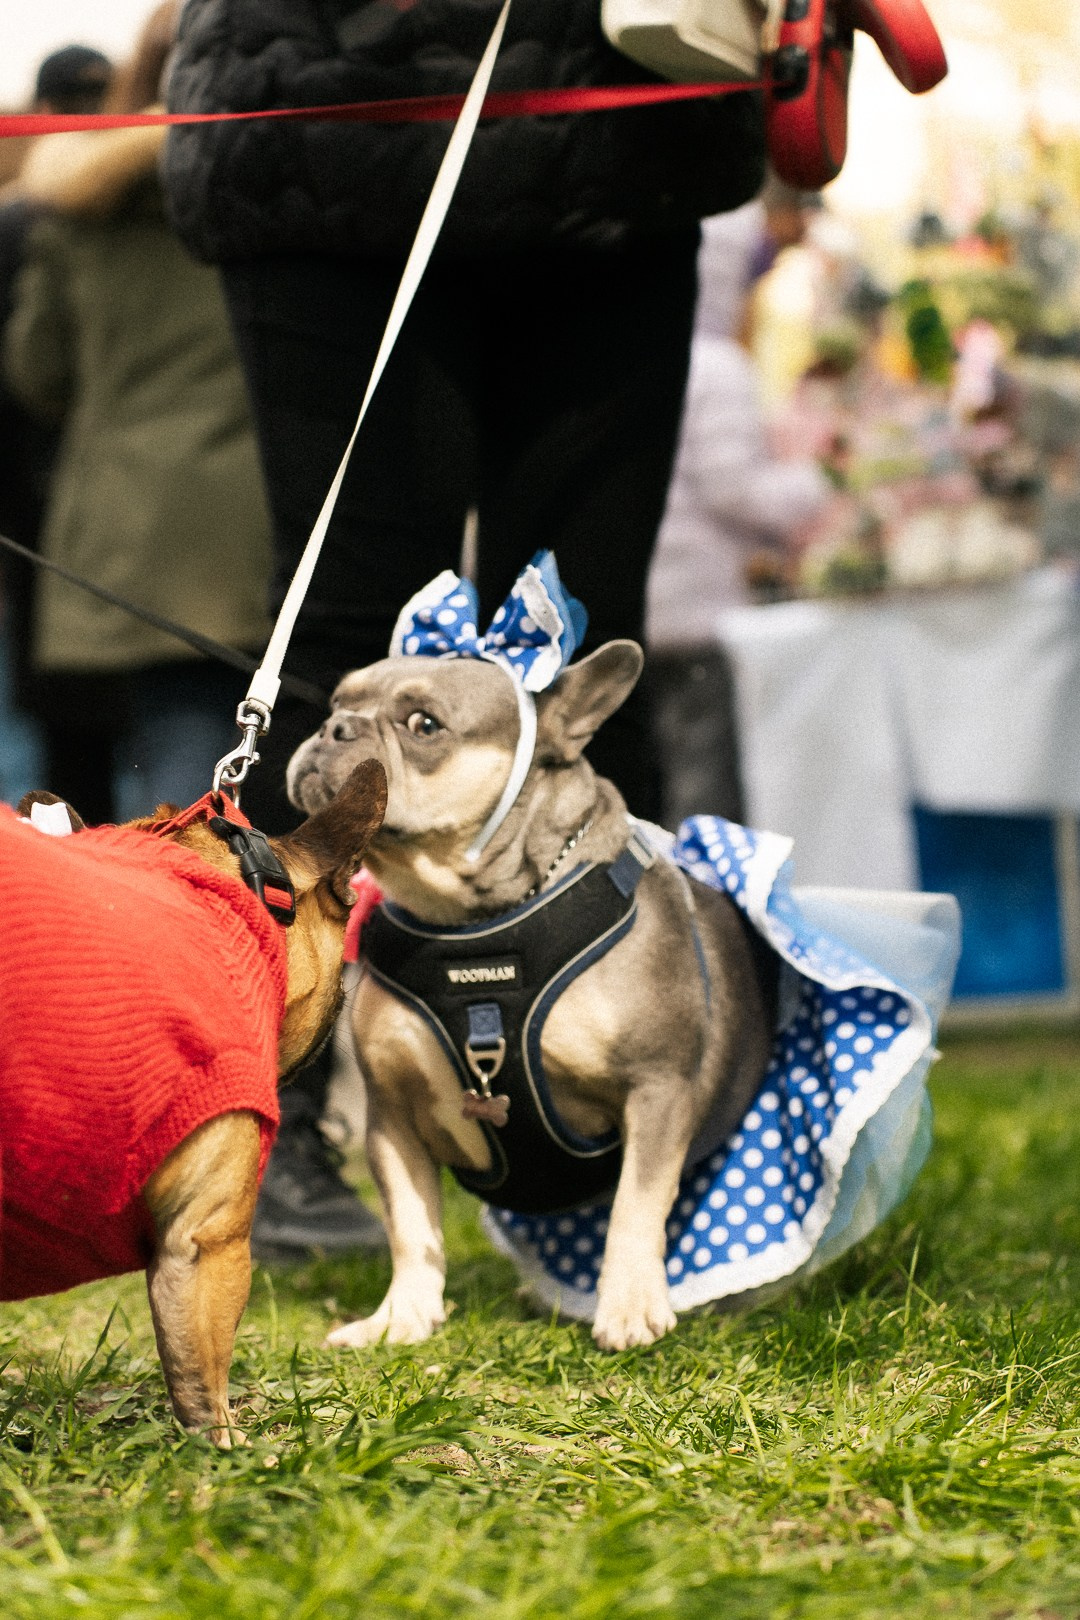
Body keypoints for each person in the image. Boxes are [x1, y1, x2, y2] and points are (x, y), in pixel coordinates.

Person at [158, 0, 766, 1253]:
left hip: (613, 118)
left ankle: (633, 1107)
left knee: (585, 650)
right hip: (336, 118)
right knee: (347, 656)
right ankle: (278, 1117)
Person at [2, 8, 273, 828]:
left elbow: (36, 373)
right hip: (268, 520)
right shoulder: (271, 191)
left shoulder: (73, 219)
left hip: (133, 535)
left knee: (176, 770)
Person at [646, 207, 829, 827]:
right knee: (702, 795)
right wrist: (819, 481)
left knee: (650, 784)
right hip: (698, 618)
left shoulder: (639, 360)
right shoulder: (717, 367)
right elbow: (736, 490)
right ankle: (700, 918)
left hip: (644, 614)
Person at [0, 46, 114, 806]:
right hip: (115, 505)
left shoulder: (27, 222)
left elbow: (31, 372)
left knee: (52, 737)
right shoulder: (176, 204)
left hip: (40, 507)